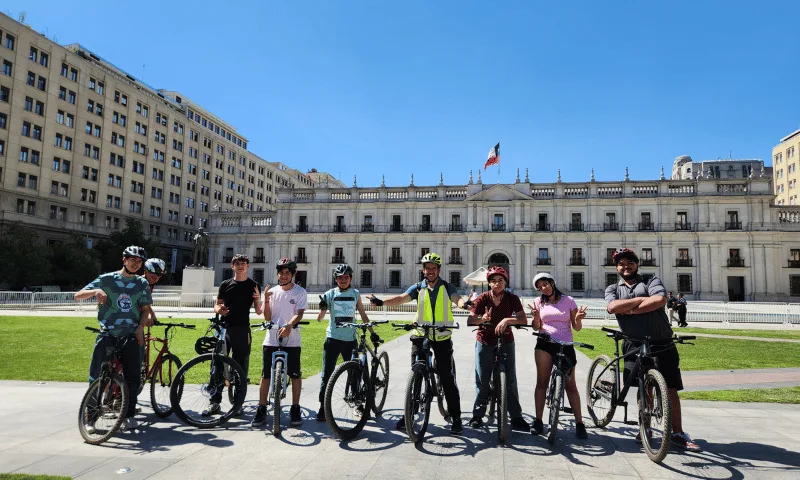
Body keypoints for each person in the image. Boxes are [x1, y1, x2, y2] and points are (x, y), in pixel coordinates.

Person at [605, 248, 701, 452]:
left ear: (637, 264)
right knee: (644, 388)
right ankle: (645, 428)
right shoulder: (612, 288)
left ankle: (677, 433)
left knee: (671, 389)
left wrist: (629, 309)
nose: (626, 266)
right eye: (621, 263)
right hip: (634, 344)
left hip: (662, 341)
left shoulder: (650, 280)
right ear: (616, 267)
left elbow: (659, 300)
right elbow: (612, 307)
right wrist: (642, 301)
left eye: (630, 262)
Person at [368, 252, 469, 434]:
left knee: (446, 378)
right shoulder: (417, 288)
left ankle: (456, 417)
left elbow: (457, 299)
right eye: (427, 268)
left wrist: (465, 305)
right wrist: (381, 302)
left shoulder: (447, 287)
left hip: (441, 336)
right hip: (421, 334)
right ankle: (410, 412)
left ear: (438, 270)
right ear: (423, 271)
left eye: (433, 268)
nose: (430, 271)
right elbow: (401, 298)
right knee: (416, 373)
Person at [75, 246, 153, 431]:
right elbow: (77, 295)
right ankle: (91, 417)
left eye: (139, 261)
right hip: (108, 333)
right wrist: (95, 292)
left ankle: (129, 414)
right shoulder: (107, 279)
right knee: (97, 375)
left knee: (133, 376)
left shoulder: (142, 284)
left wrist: (140, 328)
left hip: (131, 336)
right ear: (124, 260)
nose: (136, 264)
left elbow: (145, 310)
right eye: (132, 260)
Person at [466, 266, 529, 431]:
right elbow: (470, 321)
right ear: (489, 283)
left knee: (511, 379)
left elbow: (523, 319)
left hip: (506, 340)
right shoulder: (482, 298)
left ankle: (516, 417)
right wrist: (482, 318)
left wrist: (508, 320)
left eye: (501, 280)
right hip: (485, 340)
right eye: (493, 281)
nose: (497, 284)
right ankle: (477, 415)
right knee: (482, 379)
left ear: (505, 282)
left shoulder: (512, 298)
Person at [315, 264, 381, 422]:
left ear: (350, 278)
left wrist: (372, 333)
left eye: (346, 277)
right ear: (335, 279)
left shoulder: (355, 294)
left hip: (350, 340)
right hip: (332, 339)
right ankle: (323, 407)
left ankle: (357, 404)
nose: (343, 280)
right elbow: (319, 319)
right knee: (327, 375)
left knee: (354, 374)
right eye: (339, 278)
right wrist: (323, 309)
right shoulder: (329, 294)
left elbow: (363, 315)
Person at [529, 272, 589, 438]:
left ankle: (580, 424)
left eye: (545, 284)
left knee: (571, 386)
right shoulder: (538, 302)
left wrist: (579, 318)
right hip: (545, 344)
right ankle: (538, 421)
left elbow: (576, 327)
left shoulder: (568, 301)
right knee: (542, 382)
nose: (543, 288)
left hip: (566, 345)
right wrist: (534, 317)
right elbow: (536, 327)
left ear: (552, 282)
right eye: (540, 287)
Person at [205, 254, 263, 417]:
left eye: (244, 263)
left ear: (248, 266)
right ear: (232, 266)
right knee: (217, 364)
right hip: (224, 328)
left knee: (241, 367)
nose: (241, 266)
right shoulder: (225, 284)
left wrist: (258, 299)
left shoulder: (253, 285)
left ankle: (238, 404)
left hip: (242, 329)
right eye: (237, 263)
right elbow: (217, 304)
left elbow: (259, 311)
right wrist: (219, 310)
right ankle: (214, 402)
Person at [252, 258, 307, 428]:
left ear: (293, 274)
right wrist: (266, 300)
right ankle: (261, 408)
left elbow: (299, 313)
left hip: (292, 339)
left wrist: (290, 325)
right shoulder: (273, 291)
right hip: (272, 337)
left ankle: (295, 407)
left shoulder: (300, 291)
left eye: (287, 273)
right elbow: (267, 317)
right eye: (281, 273)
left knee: (295, 374)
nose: (283, 276)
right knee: (266, 375)